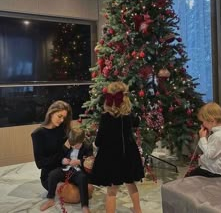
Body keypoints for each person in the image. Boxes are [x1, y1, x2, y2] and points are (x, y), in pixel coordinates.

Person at [92, 81, 144, 213]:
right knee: (131, 183)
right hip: (129, 155)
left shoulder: (105, 117)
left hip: (111, 157)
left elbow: (99, 140)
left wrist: (96, 144)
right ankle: (138, 210)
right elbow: (136, 124)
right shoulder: (129, 116)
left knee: (112, 191)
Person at [39, 127, 93, 212]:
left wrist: (79, 162)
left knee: (83, 178)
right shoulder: (67, 144)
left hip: (78, 171)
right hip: (66, 168)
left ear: (82, 140)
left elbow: (89, 161)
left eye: (77, 145)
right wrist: (63, 160)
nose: (74, 147)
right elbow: (60, 156)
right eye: (72, 145)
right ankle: (50, 199)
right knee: (53, 174)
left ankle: (85, 205)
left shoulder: (87, 147)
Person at [31, 101, 72, 204]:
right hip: (50, 176)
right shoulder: (38, 134)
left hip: (67, 171)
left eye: (64, 118)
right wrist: (64, 148)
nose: (62, 120)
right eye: (59, 116)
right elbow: (40, 163)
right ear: (51, 113)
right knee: (74, 196)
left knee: (89, 189)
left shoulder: (63, 129)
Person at [187, 102, 221, 178]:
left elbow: (209, 155)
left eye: (203, 121)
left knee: (191, 174)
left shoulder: (218, 136)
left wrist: (203, 138)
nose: (203, 124)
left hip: (216, 172)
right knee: (196, 169)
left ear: (212, 121)